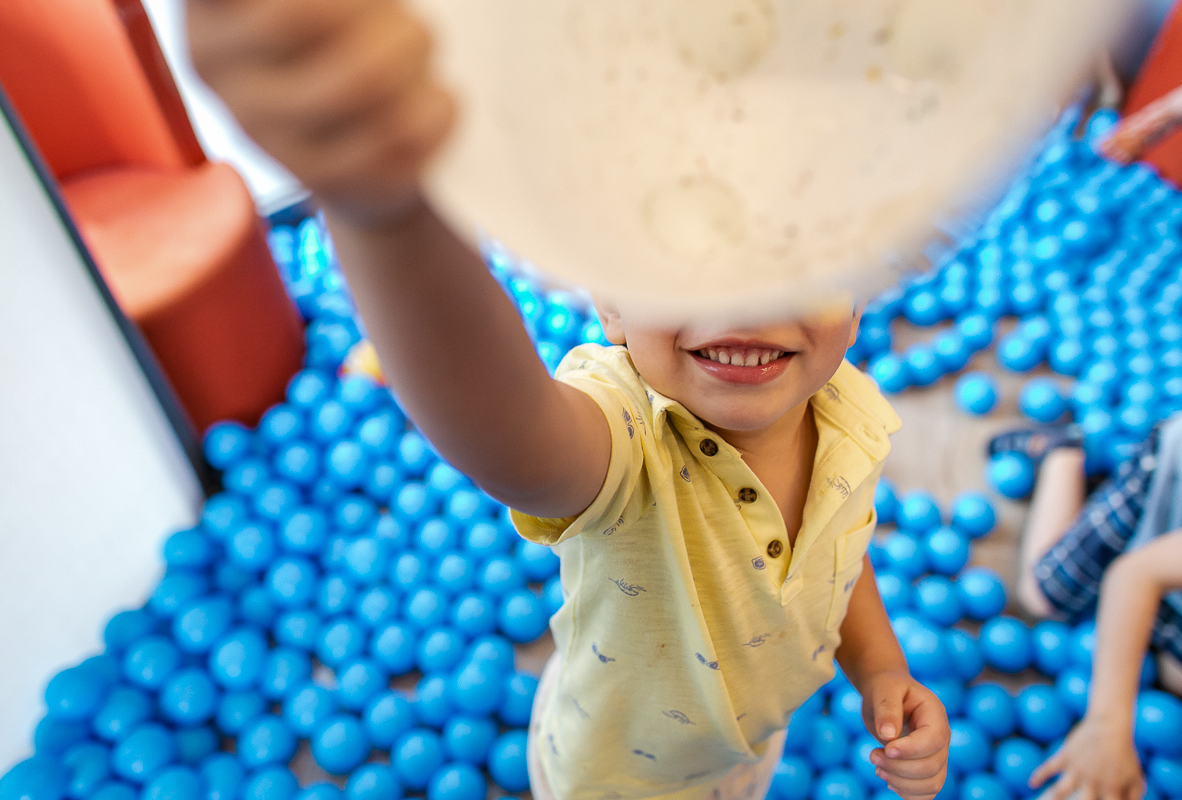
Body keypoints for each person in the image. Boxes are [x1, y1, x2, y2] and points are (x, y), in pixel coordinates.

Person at [186, 1, 950, 798]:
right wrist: (387, 212)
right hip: (617, 778)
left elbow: (839, 556)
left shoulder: (848, 414)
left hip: (745, 749)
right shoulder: (629, 441)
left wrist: (881, 667)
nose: (747, 301)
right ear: (607, 304)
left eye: (797, 252)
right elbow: (505, 429)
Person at [1000, 413, 1182, 800]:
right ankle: (1062, 450)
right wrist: (1108, 725)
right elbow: (1134, 576)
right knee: (1045, 594)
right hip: (1168, 479)